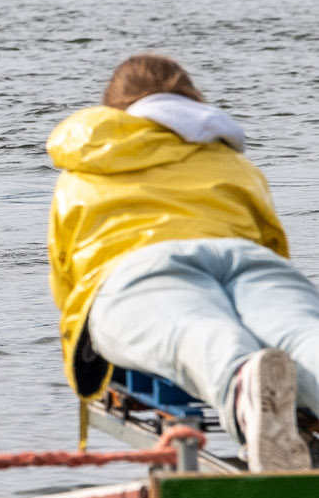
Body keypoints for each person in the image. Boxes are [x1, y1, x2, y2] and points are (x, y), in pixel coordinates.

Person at [50, 52, 317, 469]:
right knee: (300, 333)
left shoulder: (84, 172)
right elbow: (271, 239)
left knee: (197, 331)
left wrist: (89, 351)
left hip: (143, 267)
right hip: (247, 258)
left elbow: (68, 276)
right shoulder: (231, 160)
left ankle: (243, 382)